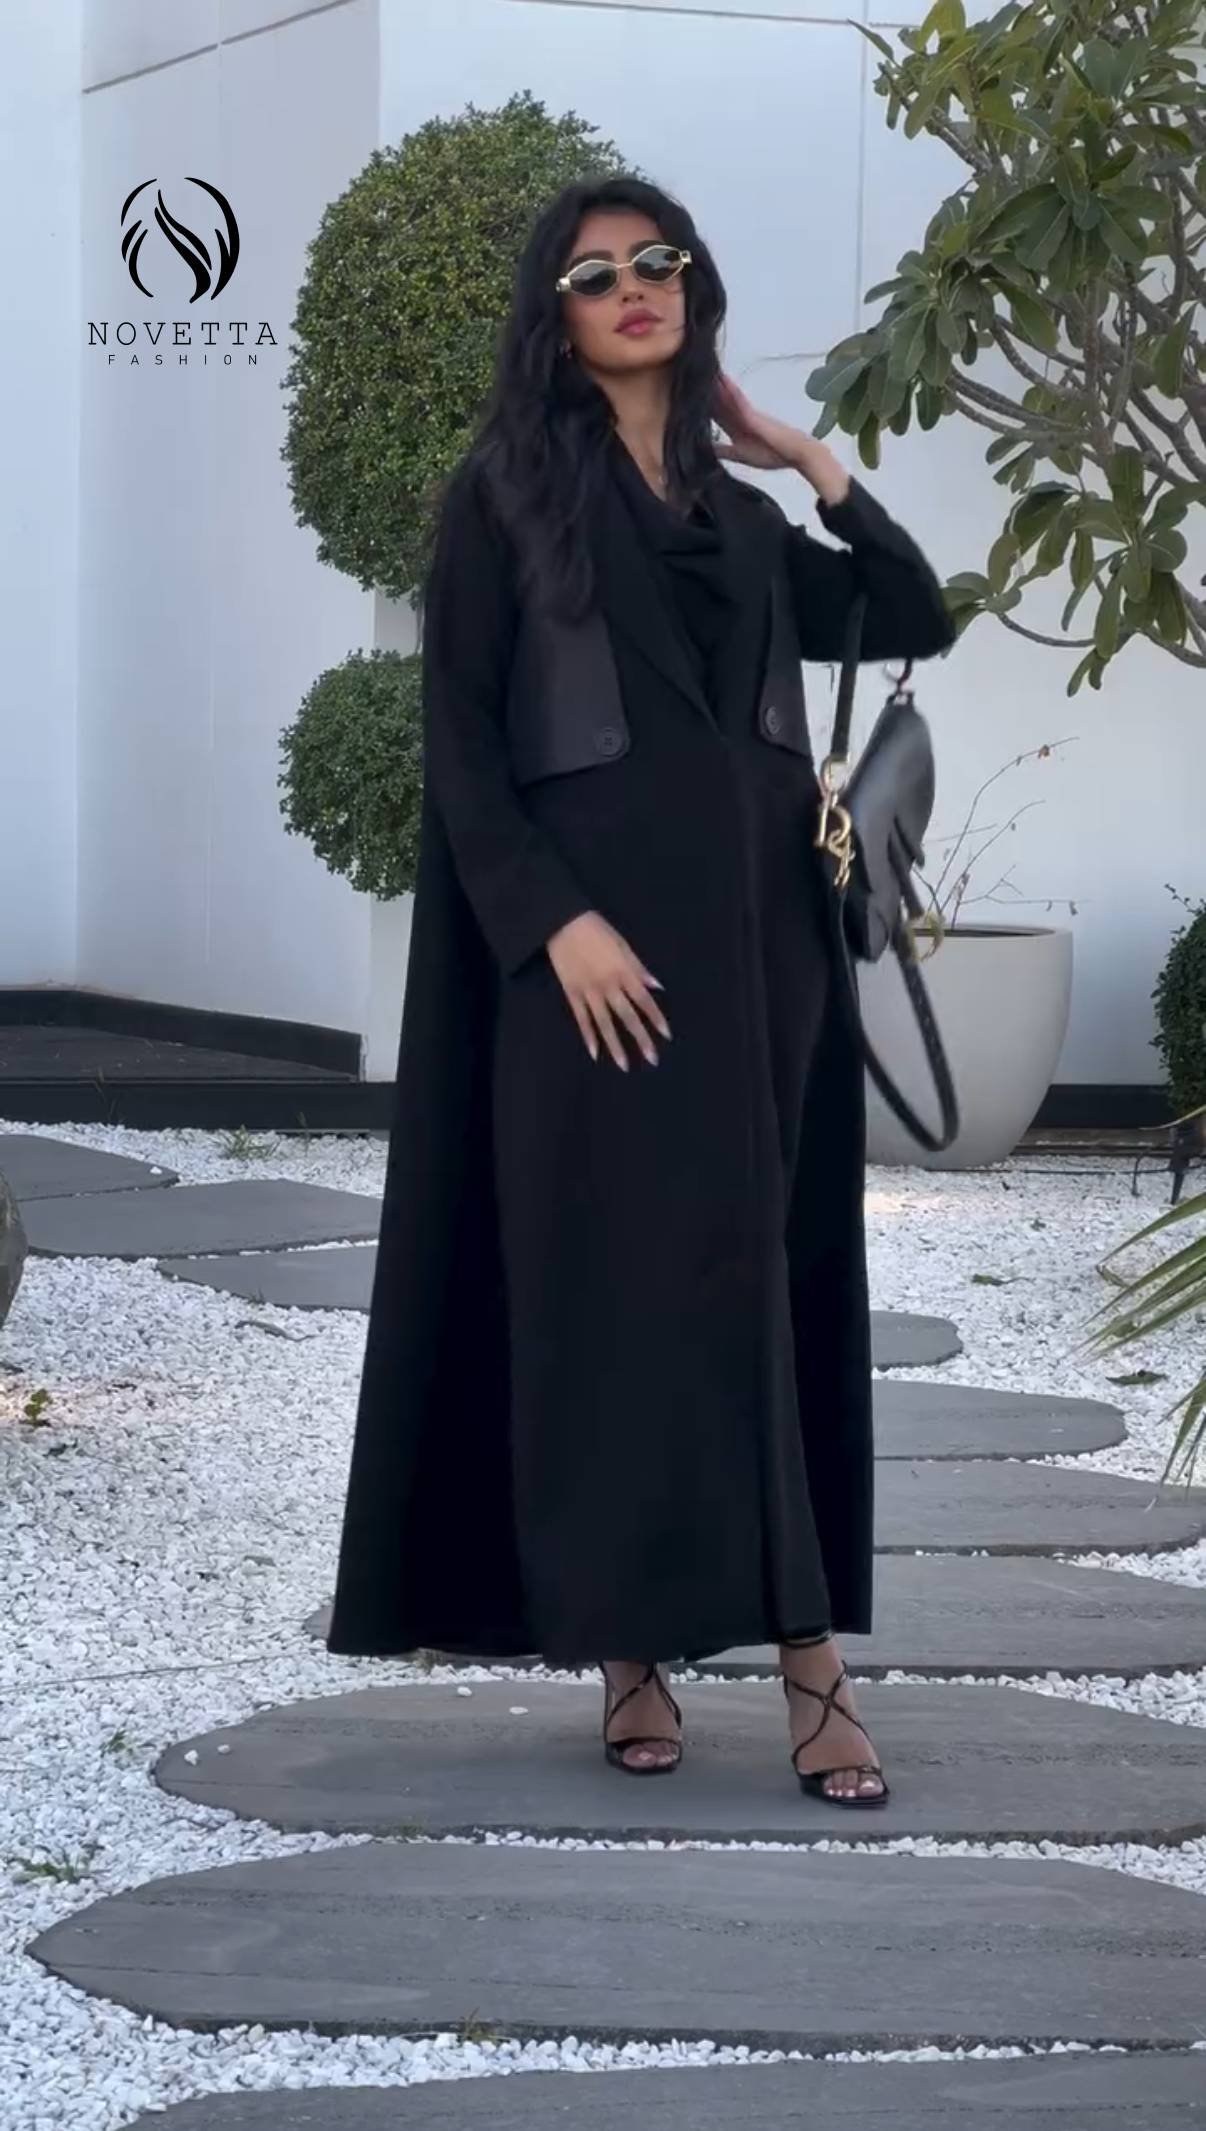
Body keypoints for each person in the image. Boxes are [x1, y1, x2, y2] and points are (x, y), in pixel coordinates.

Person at [327, 174, 955, 1807]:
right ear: (553, 319)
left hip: (762, 964)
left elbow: (912, 617)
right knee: (609, 1297)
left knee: (766, 1290)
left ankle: (810, 1663)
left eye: (656, 261)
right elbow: (461, 745)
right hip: (596, 976)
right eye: (595, 272)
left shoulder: (741, 524)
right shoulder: (504, 499)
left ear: (693, 290)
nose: (633, 286)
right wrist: (554, 925)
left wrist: (805, 460)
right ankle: (628, 1648)